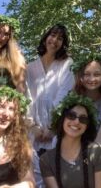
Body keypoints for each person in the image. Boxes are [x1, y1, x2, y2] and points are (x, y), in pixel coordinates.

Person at [39, 92, 101, 188]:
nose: (77, 122)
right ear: (62, 119)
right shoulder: (46, 160)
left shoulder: (97, 152)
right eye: (71, 115)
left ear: (87, 126)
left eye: (83, 119)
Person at [72, 52, 101, 187]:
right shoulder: (75, 96)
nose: (91, 79)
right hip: (79, 146)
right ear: (80, 77)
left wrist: (87, 163)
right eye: (87, 74)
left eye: (97, 74)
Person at [27, 24, 75, 154]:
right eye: (52, 35)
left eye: (60, 38)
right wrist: (32, 126)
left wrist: (53, 126)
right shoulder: (29, 67)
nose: (54, 40)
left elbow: (64, 95)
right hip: (32, 133)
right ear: (45, 38)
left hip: (58, 130)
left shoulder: (67, 64)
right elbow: (26, 98)